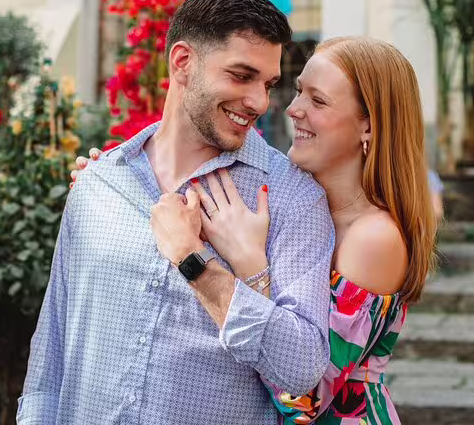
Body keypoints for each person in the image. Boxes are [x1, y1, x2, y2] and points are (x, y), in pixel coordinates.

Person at [18, 0, 335, 424]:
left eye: (268, 84)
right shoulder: (99, 184)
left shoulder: (289, 198)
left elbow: (300, 370)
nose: (260, 102)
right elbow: (51, 348)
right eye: (242, 76)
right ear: (183, 63)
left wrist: (197, 266)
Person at [75, 37, 438, 423]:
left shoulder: (372, 237)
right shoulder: (286, 203)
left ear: (369, 125)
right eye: (299, 92)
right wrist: (114, 183)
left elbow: (302, 398)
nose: (292, 110)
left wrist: (250, 265)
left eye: (318, 100)